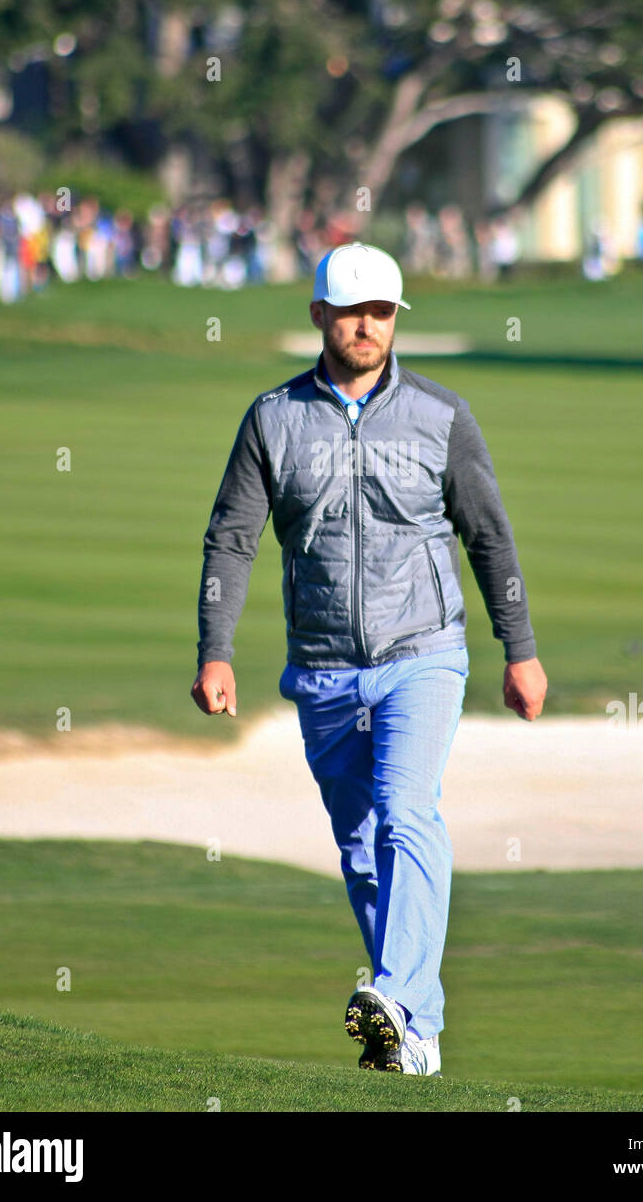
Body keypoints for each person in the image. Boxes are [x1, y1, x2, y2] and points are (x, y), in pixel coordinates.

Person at [190, 241, 547, 1077]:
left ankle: (396, 993)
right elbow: (232, 538)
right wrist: (216, 650)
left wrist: (519, 649)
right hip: (320, 668)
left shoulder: (441, 415)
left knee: (405, 809)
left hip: (424, 651)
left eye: (381, 312)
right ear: (319, 315)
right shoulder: (272, 418)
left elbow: (488, 535)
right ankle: (414, 1036)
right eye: (351, 311)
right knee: (359, 848)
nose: (367, 326)